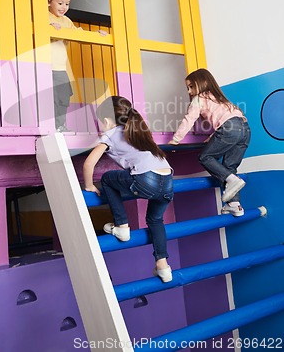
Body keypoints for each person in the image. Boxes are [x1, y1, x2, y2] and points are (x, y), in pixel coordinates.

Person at [83, 96, 174, 283]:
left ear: (107, 121)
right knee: (156, 220)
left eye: (101, 123)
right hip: (168, 180)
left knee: (107, 179)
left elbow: (89, 163)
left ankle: (122, 226)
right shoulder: (137, 130)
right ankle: (163, 267)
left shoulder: (110, 133)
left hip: (147, 178)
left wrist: (89, 185)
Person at [168, 68, 251, 217]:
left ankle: (232, 180)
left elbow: (189, 120)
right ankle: (235, 205)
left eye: (191, 86)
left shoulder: (199, 98)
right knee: (229, 167)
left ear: (203, 83)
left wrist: (175, 140)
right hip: (245, 130)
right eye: (187, 87)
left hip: (229, 129)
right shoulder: (220, 98)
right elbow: (230, 120)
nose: (189, 91)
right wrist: (213, 136)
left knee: (205, 157)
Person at [48, 0, 79, 132]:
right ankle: (48, 126)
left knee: (63, 98)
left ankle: (60, 126)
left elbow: (78, 35)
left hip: (60, 68)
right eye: (60, 3)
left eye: (67, 4)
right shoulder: (44, 16)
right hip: (44, 66)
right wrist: (49, 27)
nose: (64, 7)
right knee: (47, 98)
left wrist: (99, 35)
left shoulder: (66, 21)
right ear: (49, 1)